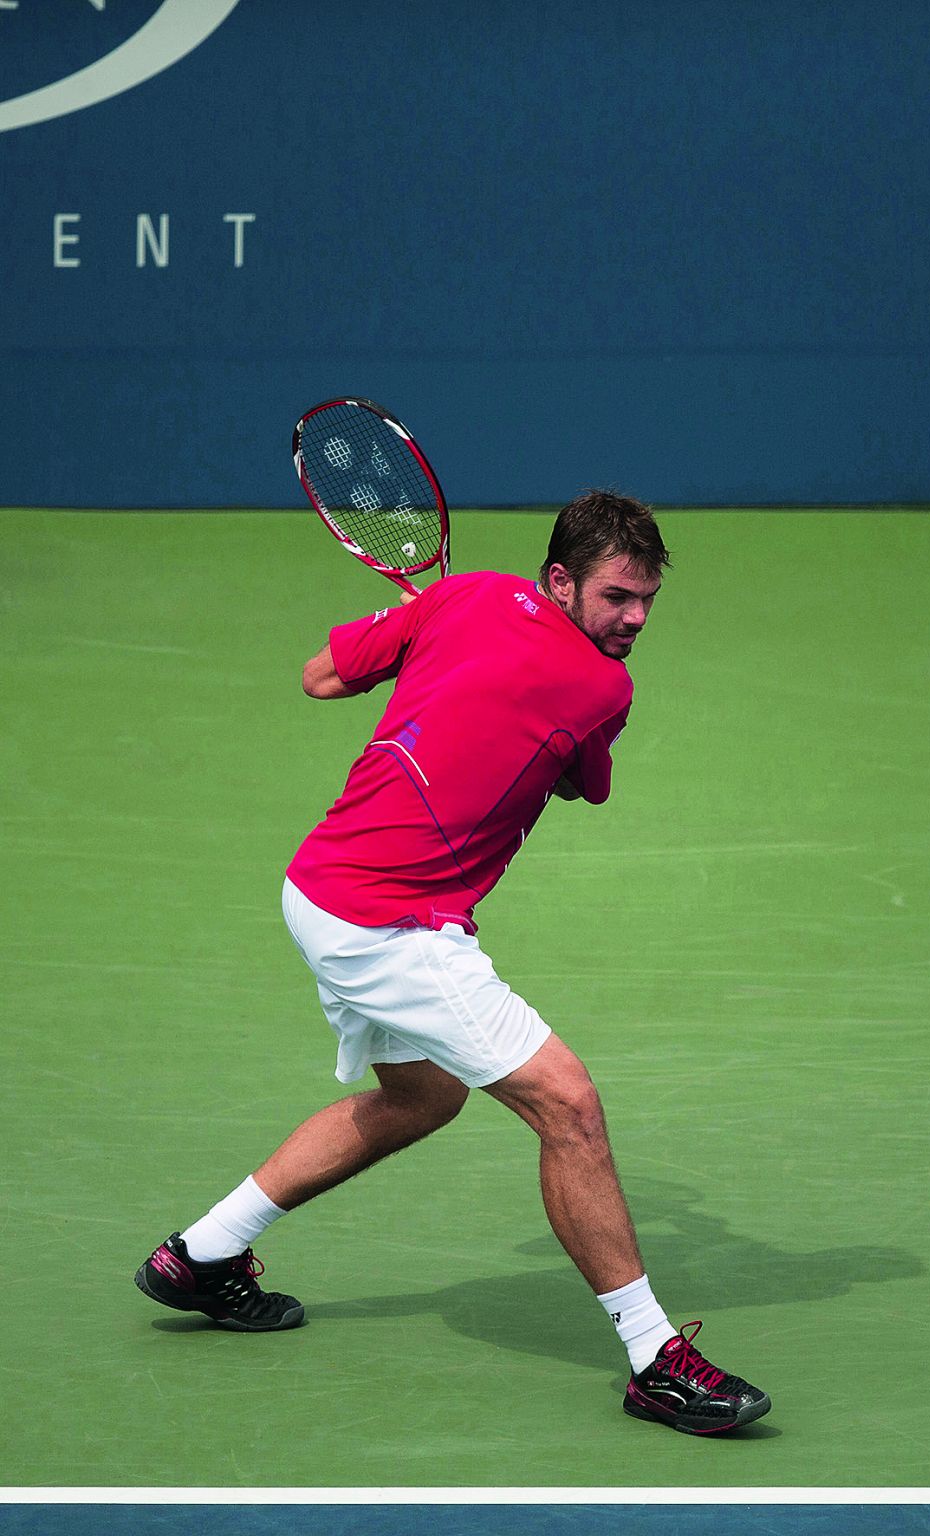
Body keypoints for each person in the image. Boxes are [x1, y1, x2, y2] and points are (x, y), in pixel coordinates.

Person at [134, 490, 771, 1436]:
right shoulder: (603, 689)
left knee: (421, 1097)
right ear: (559, 581)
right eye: (614, 597)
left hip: (317, 887)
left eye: (645, 600)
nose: (633, 618)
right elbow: (584, 785)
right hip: (389, 922)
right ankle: (653, 1359)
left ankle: (203, 1253)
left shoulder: (461, 594)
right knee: (569, 1105)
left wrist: (421, 629)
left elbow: (320, 678)